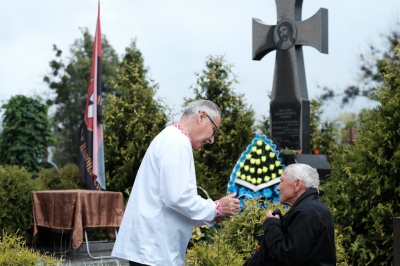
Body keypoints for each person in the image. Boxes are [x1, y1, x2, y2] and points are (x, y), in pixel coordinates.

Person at [112, 99, 240, 266]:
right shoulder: (176, 142)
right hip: (153, 250)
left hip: (152, 248)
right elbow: (177, 197)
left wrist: (212, 216)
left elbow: (173, 203)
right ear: (202, 117)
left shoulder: (174, 139)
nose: (212, 139)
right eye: (214, 130)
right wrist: (216, 208)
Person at [243, 163, 336, 266]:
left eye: (282, 181)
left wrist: (272, 225)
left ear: (297, 184)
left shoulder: (306, 213)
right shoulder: (311, 208)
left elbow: (285, 258)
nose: (278, 188)